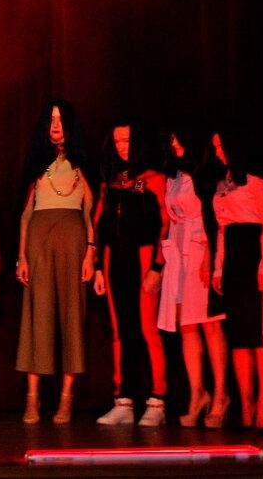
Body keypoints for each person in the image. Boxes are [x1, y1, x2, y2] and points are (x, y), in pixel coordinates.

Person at [15, 101, 96, 424]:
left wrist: (91, 252)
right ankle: (32, 398)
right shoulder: (37, 161)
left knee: (72, 316)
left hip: (73, 242)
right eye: (51, 119)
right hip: (38, 241)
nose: (55, 125)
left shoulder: (82, 164)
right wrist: (21, 256)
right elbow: (25, 213)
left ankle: (66, 399)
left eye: (60, 119)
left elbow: (90, 211)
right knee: (38, 314)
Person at [91, 121, 169, 427]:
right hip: (114, 260)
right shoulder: (110, 183)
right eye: (117, 142)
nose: (122, 147)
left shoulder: (153, 180)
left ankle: (157, 400)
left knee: (147, 329)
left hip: (143, 258)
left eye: (126, 140)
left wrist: (157, 266)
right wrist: (98, 267)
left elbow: (164, 224)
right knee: (120, 331)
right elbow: (99, 226)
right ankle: (123, 400)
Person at [209, 129, 263, 429]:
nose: (217, 152)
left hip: (255, 257)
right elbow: (221, 229)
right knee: (239, 338)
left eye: (220, 146)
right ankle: (246, 403)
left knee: (260, 337)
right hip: (233, 262)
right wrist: (218, 269)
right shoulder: (222, 184)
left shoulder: (258, 183)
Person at [156, 127, 229, 428]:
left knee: (209, 323)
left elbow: (215, 217)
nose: (174, 144)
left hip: (200, 248)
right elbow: (171, 218)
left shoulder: (206, 174)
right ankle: (197, 393)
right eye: (171, 139)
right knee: (186, 326)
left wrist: (211, 256)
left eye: (178, 138)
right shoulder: (174, 176)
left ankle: (221, 394)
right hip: (179, 252)